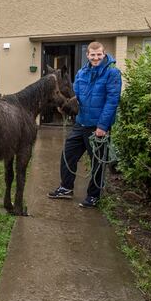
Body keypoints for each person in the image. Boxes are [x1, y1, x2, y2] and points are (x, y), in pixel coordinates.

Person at [48, 41, 121, 208]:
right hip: (81, 123)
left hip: (97, 126)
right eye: (92, 55)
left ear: (103, 54)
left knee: (97, 163)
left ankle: (93, 196)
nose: (96, 58)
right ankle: (66, 188)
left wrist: (102, 126)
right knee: (68, 154)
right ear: (88, 55)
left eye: (99, 55)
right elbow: (77, 97)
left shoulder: (112, 73)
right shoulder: (82, 72)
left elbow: (112, 102)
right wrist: (66, 107)